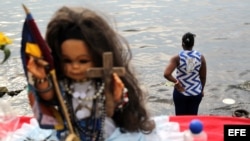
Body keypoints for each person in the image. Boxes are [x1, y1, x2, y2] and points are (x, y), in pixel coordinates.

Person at [24, 6, 155, 141]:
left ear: (98, 58)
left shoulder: (101, 84)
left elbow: (109, 111)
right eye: (67, 60)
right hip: (70, 133)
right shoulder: (63, 84)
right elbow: (48, 97)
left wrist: (116, 97)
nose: (75, 67)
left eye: (83, 61)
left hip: (102, 133)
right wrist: (41, 79)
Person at [163, 32, 207, 115]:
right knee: (192, 118)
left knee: (180, 119)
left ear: (182, 44)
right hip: (196, 92)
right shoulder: (201, 57)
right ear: (193, 44)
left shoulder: (177, 58)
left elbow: (166, 74)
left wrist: (177, 84)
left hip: (181, 92)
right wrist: (201, 90)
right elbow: (203, 77)